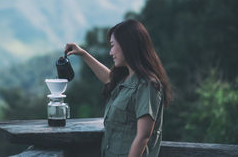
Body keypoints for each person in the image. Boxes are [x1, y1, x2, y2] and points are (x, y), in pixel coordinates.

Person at [65, 19, 172, 157]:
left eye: (112, 45)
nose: (110, 52)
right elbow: (108, 78)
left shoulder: (148, 85)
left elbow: (143, 136)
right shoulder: (126, 79)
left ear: (127, 45)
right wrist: (83, 54)